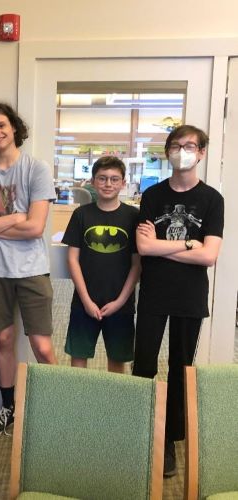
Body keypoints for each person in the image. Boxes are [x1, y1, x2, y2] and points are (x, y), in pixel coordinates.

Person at [0, 101, 57, 440]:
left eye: (1, 125)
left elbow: (35, 228)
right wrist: (14, 218)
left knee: (42, 347)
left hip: (31, 269)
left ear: (14, 127)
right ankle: (8, 408)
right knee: (3, 339)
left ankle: (58, 408)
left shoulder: (36, 169)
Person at [133, 125, 224, 477]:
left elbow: (210, 257)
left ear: (200, 152)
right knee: (144, 365)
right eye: (175, 145)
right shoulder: (152, 196)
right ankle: (142, 431)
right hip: (154, 292)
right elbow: (144, 248)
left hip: (189, 296)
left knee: (181, 367)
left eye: (189, 146)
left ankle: (170, 438)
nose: (182, 151)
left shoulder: (213, 199)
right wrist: (189, 244)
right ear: (167, 152)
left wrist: (162, 247)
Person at [62, 156, 140, 373]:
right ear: (93, 181)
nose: (108, 184)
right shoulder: (81, 214)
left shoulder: (133, 216)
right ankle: (81, 403)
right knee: (78, 356)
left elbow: (137, 265)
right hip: (84, 300)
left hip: (121, 303)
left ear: (123, 183)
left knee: (117, 359)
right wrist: (86, 300)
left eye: (115, 179)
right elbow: (72, 259)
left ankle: (113, 405)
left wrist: (120, 300)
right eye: (102, 178)